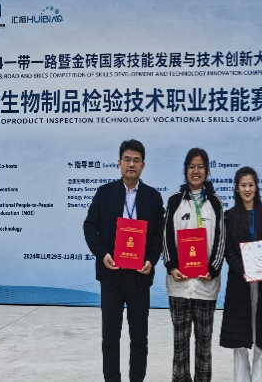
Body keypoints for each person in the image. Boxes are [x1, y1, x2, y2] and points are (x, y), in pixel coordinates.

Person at [83, 139, 165, 382]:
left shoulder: (153, 197)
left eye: (136, 160)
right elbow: (90, 226)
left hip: (139, 277)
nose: (131, 164)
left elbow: (159, 234)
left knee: (139, 338)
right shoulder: (105, 193)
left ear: (143, 165)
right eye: (127, 159)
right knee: (110, 337)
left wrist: (152, 259)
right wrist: (102, 254)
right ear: (119, 162)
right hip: (111, 275)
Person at [163, 147, 225, 382]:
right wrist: (171, 267)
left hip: (205, 285)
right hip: (179, 284)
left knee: (204, 346)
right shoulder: (174, 201)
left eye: (200, 167)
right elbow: (166, 239)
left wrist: (213, 269)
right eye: (191, 167)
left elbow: (221, 240)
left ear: (206, 171)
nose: (196, 171)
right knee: (179, 345)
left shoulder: (215, 203)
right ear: (185, 170)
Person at [220, 166, 262, 382]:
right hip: (239, 283)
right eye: (243, 185)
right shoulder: (229, 216)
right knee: (240, 340)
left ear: (256, 187)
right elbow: (228, 249)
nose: (247, 189)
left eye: (251, 185)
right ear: (237, 189)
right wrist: (243, 270)